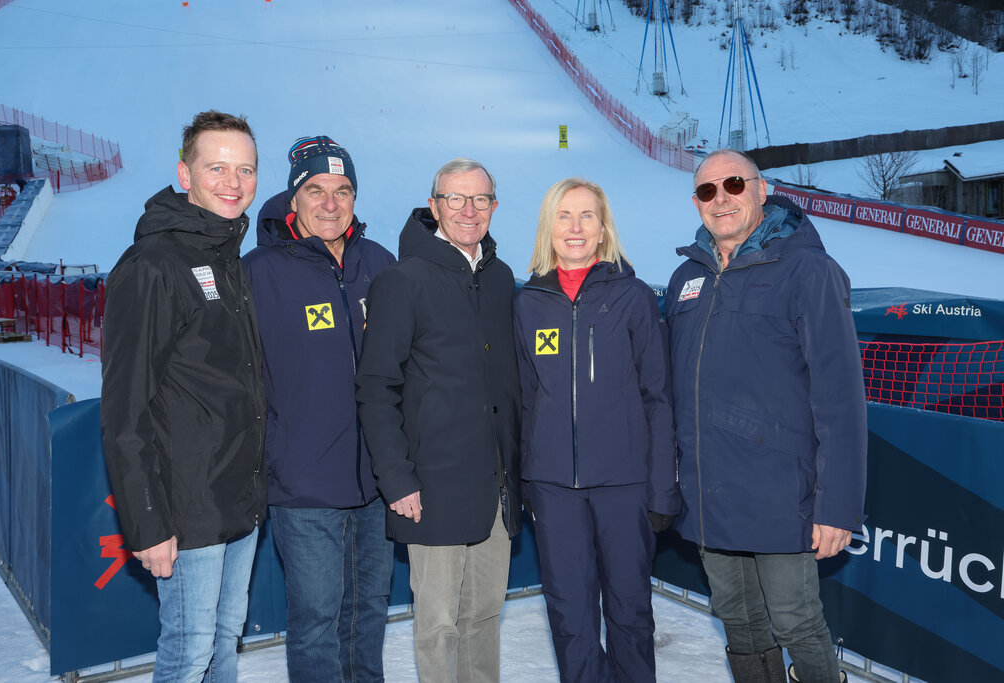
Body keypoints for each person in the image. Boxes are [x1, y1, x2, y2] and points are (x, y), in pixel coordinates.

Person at [665, 149, 867, 683]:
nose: (721, 198)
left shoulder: (808, 270)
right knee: (738, 621)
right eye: (708, 191)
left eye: (733, 184)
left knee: (797, 622)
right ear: (696, 202)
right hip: (711, 494)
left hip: (781, 493)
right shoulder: (686, 277)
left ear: (761, 189)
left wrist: (838, 505)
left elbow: (841, 397)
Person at [101, 110, 266, 682]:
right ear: (184, 173)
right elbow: (124, 410)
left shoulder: (226, 256)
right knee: (189, 649)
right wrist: (147, 521)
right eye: (216, 167)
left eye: (244, 169)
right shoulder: (154, 265)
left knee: (224, 640)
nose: (232, 182)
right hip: (188, 504)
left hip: (236, 497)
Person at [355, 158, 522, 683]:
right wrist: (397, 480)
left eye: (480, 200)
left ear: (494, 207)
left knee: (485, 616)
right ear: (434, 205)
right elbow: (376, 388)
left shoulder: (500, 278)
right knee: (438, 626)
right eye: (456, 199)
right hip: (433, 487)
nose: (469, 210)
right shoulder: (402, 281)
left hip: (495, 487)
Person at [512, 178, 679, 683]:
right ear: (548, 226)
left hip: (623, 485)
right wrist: (527, 481)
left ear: (604, 228)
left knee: (629, 612)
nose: (576, 227)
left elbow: (657, 397)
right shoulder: (528, 303)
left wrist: (661, 489)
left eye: (587, 215)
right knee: (569, 616)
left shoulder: (633, 298)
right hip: (554, 487)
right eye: (564, 215)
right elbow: (523, 400)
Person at [243, 135, 396, 682]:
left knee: (369, 617)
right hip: (304, 487)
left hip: (378, 487)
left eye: (343, 189)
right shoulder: (259, 271)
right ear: (293, 198)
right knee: (314, 624)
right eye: (316, 190)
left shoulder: (378, 263)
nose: (330, 203)